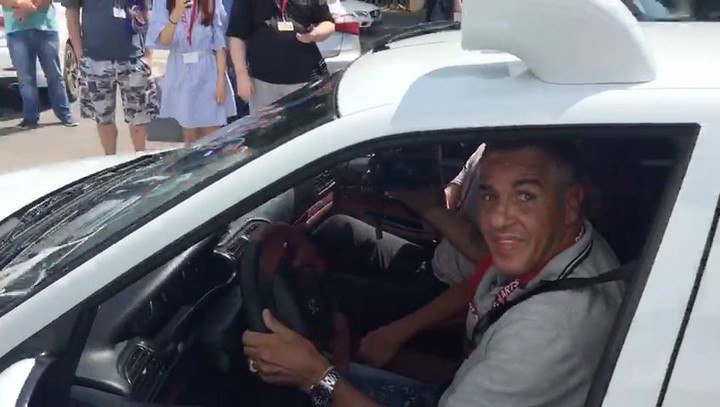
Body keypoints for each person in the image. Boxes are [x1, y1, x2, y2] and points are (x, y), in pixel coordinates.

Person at [241, 139, 625, 406]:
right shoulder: (565, 246)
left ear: (570, 203)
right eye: (489, 195)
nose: (497, 219)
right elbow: (483, 284)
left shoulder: (545, 334)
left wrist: (315, 376)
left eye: (525, 196)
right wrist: (397, 338)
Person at [311, 145, 486, 335]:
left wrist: (397, 333)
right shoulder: (484, 151)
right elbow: (438, 221)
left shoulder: (507, 169)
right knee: (339, 229)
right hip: (436, 263)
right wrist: (423, 176)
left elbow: (489, 263)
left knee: (326, 293)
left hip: (452, 295)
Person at [62, 0, 159, 155]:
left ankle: (141, 159)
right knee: (103, 118)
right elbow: (71, 12)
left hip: (134, 57)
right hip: (95, 59)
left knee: (139, 118)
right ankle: (110, 160)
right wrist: (79, 54)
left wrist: (148, 54)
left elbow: (148, 10)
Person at [147, 0, 236, 147]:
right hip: (180, 70)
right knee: (190, 134)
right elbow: (164, 41)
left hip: (207, 70)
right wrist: (176, 13)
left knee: (213, 133)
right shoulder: (163, 2)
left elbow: (220, 45)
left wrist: (221, 80)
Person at [226, 0, 335, 114]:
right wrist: (241, 76)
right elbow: (236, 36)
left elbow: (328, 23)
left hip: (305, 82)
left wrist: (316, 34)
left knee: (306, 124)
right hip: (264, 85)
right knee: (265, 125)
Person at [1, 0, 77, 129]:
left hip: (45, 28)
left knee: (54, 75)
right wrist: (22, 4)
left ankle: (65, 114)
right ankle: (30, 118)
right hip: (16, 32)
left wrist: (30, 8)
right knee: (25, 78)